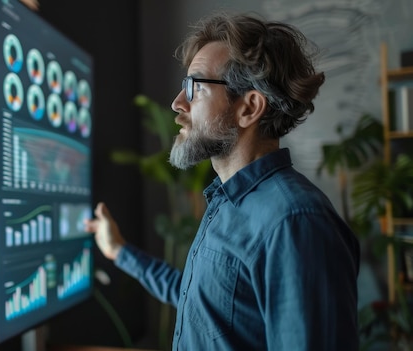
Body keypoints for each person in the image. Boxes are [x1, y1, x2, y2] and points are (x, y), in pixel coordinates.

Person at [84, 11, 359, 351]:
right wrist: (119, 251)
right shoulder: (228, 202)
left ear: (249, 108)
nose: (177, 103)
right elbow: (200, 301)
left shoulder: (295, 222)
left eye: (194, 88)